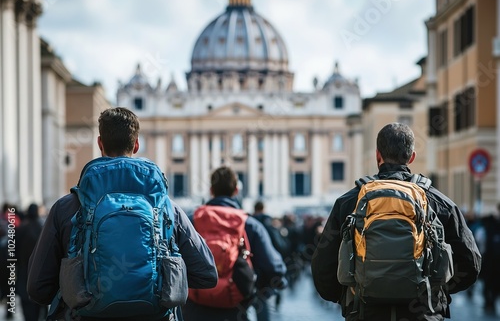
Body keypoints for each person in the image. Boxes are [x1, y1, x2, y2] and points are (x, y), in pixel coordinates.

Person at [27, 107, 218, 321]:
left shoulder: (65, 207)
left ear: (100, 143)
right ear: (136, 145)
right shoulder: (168, 208)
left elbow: (38, 289)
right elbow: (207, 275)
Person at [311, 122, 482, 320]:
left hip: (365, 312)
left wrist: (349, 296)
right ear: (412, 157)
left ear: (377, 155)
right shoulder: (438, 202)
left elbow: (322, 267)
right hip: (422, 313)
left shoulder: (349, 202)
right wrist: (435, 292)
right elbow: (471, 263)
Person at [182, 166, 287, 321]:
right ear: (236, 190)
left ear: (211, 190)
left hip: (194, 307)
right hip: (236, 307)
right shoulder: (250, 224)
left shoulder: (190, 220)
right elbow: (274, 267)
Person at [17, 203, 47, 321]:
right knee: (39, 310)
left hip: (24, 274)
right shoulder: (42, 228)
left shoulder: (21, 229)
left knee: (28, 312)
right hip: (40, 275)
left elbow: (13, 252)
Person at [481, 203, 500, 313]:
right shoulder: (489, 223)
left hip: (497, 262)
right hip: (489, 260)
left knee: (496, 284)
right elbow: (482, 240)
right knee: (488, 283)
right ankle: (488, 301)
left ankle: (492, 301)